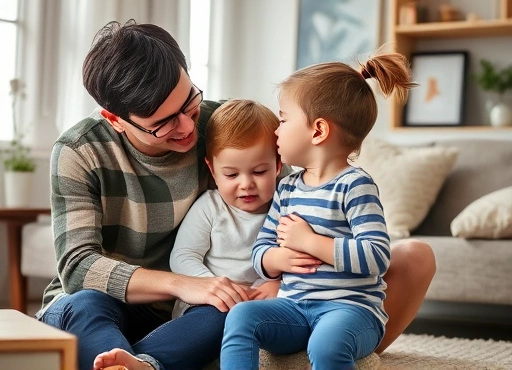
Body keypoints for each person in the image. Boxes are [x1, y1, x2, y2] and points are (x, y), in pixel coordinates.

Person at [36, 19, 435, 370]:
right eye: (163, 123)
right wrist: (185, 284)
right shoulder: (79, 151)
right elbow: (78, 266)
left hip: (197, 311)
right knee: (85, 306)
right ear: (115, 119)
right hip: (116, 303)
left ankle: (145, 363)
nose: (188, 128)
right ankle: (124, 360)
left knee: (229, 311)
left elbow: (302, 193)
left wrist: (286, 283)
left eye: (189, 102)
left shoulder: (224, 123)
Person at [220, 53, 418, 370]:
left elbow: (377, 256)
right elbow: (261, 250)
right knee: (243, 316)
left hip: (352, 311)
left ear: (318, 131)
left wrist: (311, 242)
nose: (276, 131)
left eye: (283, 120)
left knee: (326, 346)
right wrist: (278, 260)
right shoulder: (288, 188)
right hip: (295, 308)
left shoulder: (356, 185)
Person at [169, 99, 289, 320]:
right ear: (212, 170)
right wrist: (211, 286)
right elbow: (183, 256)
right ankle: (149, 354)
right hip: (209, 301)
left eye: (260, 172)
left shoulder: (288, 207)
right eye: (232, 175)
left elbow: (301, 259)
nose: (246, 184)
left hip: (260, 303)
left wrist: (278, 283)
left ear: (278, 165)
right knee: (209, 321)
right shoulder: (210, 206)